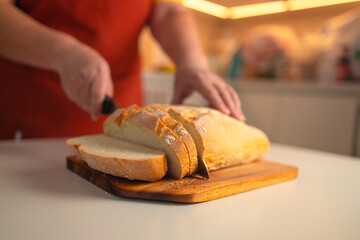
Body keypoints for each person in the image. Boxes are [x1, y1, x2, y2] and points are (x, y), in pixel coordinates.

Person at [0, 0, 244, 140]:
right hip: (28, 124)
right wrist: (63, 52)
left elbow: (168, 9)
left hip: (122, 124)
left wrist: (192, 63)